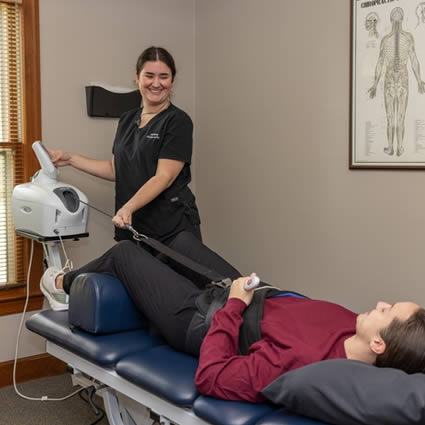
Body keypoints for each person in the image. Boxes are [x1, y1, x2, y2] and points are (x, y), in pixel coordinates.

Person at [39, 232, 425, 403]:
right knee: (180, 242)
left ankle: (62, 283)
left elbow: (211, 377)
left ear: (379, 344)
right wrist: (252, 290)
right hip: (251, 295)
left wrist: (236, 304)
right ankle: (144, 295)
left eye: (388, 312)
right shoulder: (353, 328)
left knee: (125, 252)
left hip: (203, 321)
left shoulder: (303, 366)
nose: (381, 303)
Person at [48, 46, 201, 244]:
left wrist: (128, 207)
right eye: (149, 75)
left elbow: (164, 177)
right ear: (137, 78)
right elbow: (116, 169)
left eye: (163, 76)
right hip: (134, 225)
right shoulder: (127, 120)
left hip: (171, 227)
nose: (156, 83)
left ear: (172, 81)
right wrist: (69, 158)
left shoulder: (177, 121)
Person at [368, 7, 425, 157]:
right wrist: (375, 84)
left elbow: (413, 59)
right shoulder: (391, 39)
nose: (397, 19)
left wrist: (419, 80)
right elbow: (380, 62)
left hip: (399, 79)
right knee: (394, 118)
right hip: (392, 80)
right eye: (396, 16)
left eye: (398, 16)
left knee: (397, 117)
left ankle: (396, 147)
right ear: (393, 19)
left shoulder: (402, 38)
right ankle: (394, 147)